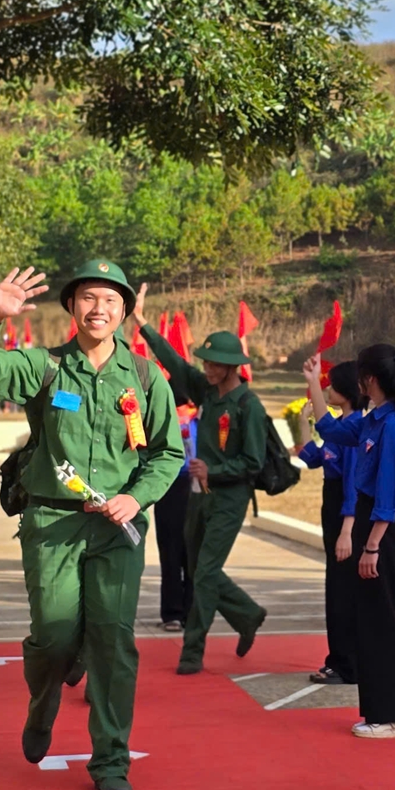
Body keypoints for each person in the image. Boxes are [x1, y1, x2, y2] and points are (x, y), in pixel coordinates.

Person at [0, 263, 181, 790]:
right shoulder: (47, 367)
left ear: (125, 311)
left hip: (117, 528)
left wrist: (136, 497)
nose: (98, 308)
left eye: (109, 299)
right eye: (87, 298)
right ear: (72, 307)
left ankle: (110, 758)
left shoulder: (147, 378)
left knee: (113, 641)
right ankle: (43, 703)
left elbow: (168, 452)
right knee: (55, 635)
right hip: (52, 522)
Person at [134, 285, 269, 676]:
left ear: (230, 366)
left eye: (213, 363)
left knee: (205, 573)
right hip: (199, 496)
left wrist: (216, 471)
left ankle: (192, 650)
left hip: (229, 498)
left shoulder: (249, 406)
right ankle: (247, 614)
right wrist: (141, 323)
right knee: (198, 570)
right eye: (206, 362)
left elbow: (254, 461)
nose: (206, 368)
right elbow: (174, 364)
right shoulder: (208, 393)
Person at [304, 346, 395, 739]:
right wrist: (313, 382)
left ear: (371, 380)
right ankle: (378, 712)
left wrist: (371, 546)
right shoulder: (372, 420)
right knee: (370, 620)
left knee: (385, 619)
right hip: (372, 524)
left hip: (381, 530)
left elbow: (391, 490)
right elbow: (332, 430)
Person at [295, 360, 362, 686]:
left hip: (343, 517)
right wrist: (302, 424)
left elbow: (352, 485)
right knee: (335, 589)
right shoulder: (339, 426)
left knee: (342, 593)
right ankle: (339, 659)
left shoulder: (355, 429)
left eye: (331, 385)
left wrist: (347, 530)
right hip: (331, 509)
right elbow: (313, 459)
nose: (327, 390)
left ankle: (346, 664)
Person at [153, 400, 197, 632]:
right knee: (170, 550)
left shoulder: (203, 411)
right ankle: (172, 612)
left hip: (199, 484)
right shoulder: (163, 408)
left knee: (193, 551)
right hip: (170, 484)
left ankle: (191, 611)